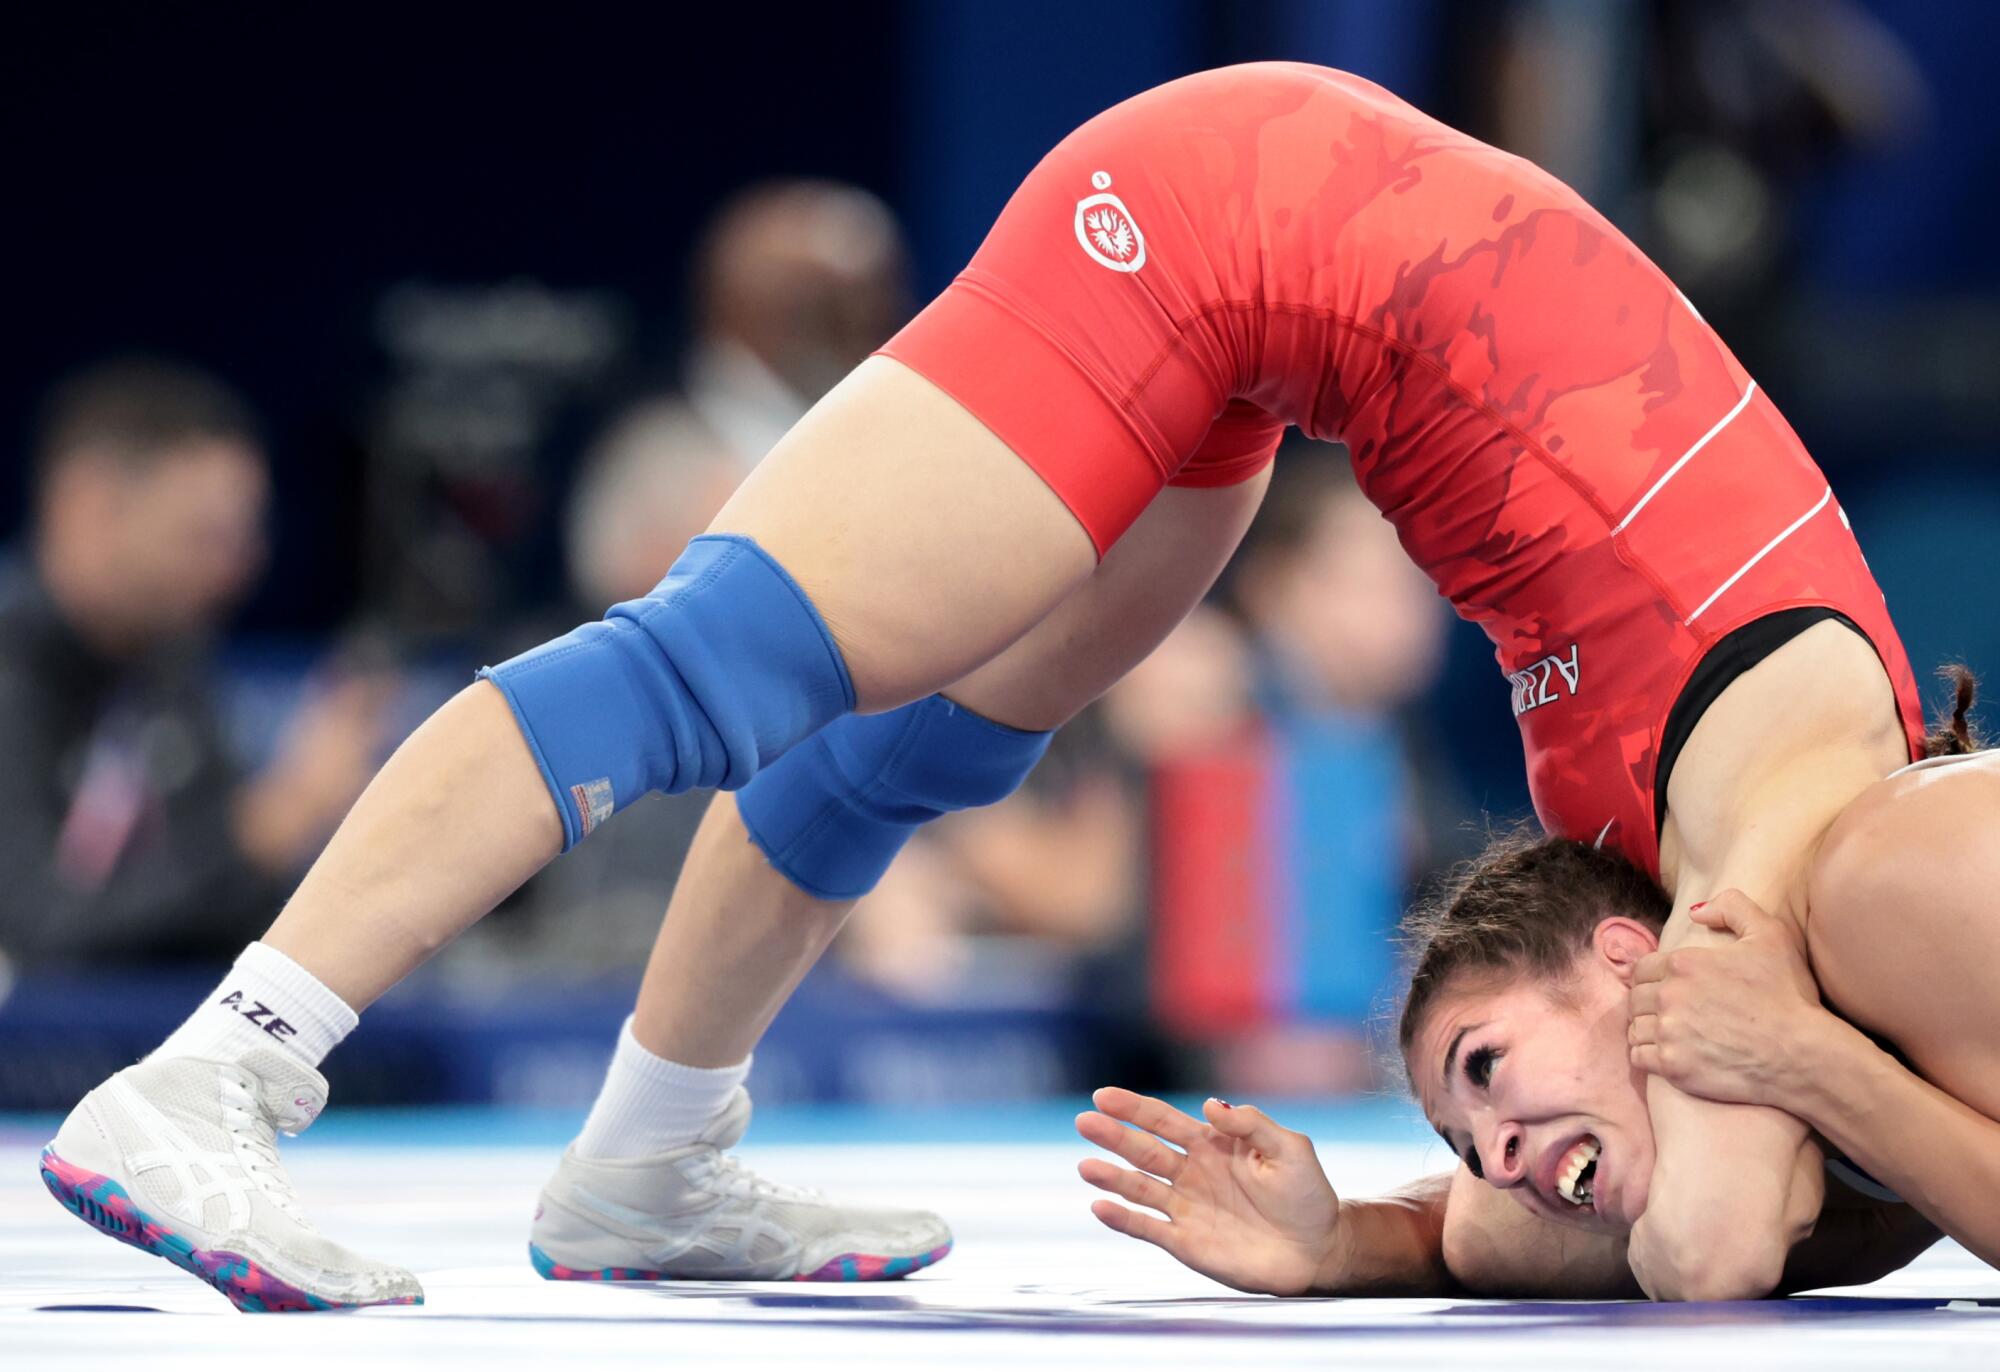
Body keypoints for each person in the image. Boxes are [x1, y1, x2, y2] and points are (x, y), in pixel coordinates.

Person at [38, 62, 1932, 1309]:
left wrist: (1387, 1235)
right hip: (1221, 213)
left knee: (913, 756)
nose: (1530, 1164)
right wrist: (1825, 1088)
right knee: (718, 665)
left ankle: (647, 1162)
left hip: (1284, 308)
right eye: (1494, 1111)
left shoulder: (1765, 847)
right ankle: (221, 1076)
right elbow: (1703, 1247)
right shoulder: (1789, 860)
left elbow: (1736, 1207)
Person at [1075, 717, 1989, 1299]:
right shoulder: (1643, 1184)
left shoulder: (1900, 886)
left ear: (1629, 963)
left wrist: (1812, 1063)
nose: (1500, 1161)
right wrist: (1338, 1248)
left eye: (1486, 1064)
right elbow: (1471, 1231)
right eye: (1467, 1145)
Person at [0, 359, 395, 975]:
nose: (238, 570)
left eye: (245, 539)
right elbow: (34, 929)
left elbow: (219, 920)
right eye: (201, 537)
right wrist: (266, 828)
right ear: (90, 508)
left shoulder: (169, 664)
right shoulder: (12, 669)